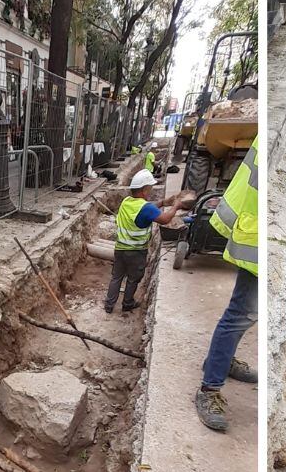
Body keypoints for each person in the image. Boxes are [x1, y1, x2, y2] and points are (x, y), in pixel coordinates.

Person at [195, 136, 260, 432]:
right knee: (241, 314)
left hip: (260, 237)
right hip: (258, 240)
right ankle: (210, 387)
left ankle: (221, 359)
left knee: (247, 315)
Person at [105, 169, 194, 314]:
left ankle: (109, 305)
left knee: (116, 277)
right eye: (150, 188)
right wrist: (175, 206)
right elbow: (164, 219)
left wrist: (164, 202)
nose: (150, 191)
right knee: (133, 279)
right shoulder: (145, 208)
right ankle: (127, 303)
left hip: (120, 249)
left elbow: (147, 208)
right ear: (145, 190)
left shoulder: (127, 202)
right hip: (136, 252)